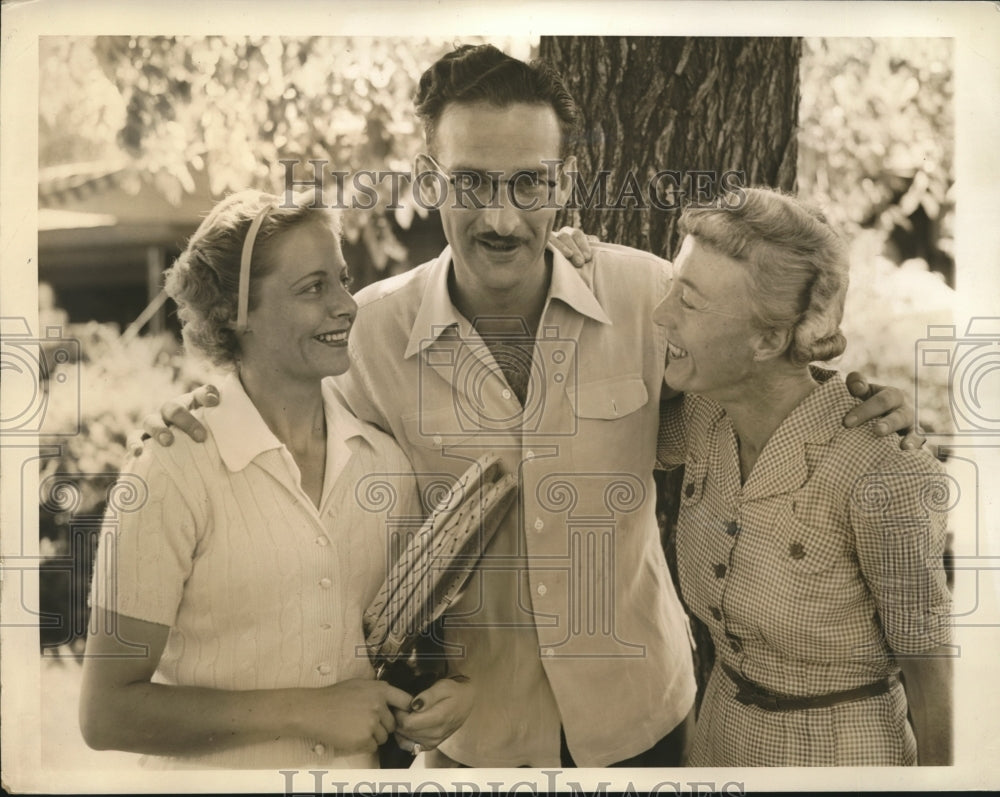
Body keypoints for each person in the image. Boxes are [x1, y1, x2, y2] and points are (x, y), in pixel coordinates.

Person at [144, 45, 921, 768]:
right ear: (428, 180)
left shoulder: (649, 295)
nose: (503, 217)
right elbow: (311, 498)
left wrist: (869, 409)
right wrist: (205, 419)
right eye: (472, 182)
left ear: (566, 183)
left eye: (530, 183)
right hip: (469, 741)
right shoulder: (366, 336)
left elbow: (761, 387)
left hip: (647, 721)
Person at [79, 190, 472, 769]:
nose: (347, 304)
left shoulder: (385, 465)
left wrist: (449, 693)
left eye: (341, 278)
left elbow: (414, 647)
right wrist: (307, 710)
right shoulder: (172, 466)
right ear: (236, 314)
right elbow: (106, 713)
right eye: (313, 288)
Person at [654, 187, 952, 766]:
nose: (660, 312)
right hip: (717, 741)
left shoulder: (880, 467)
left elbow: (933, 673)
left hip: (841, 759)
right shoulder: (702, 414)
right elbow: (599, 421)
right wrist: (568, 256)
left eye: (687, 302)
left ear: (767, 339)